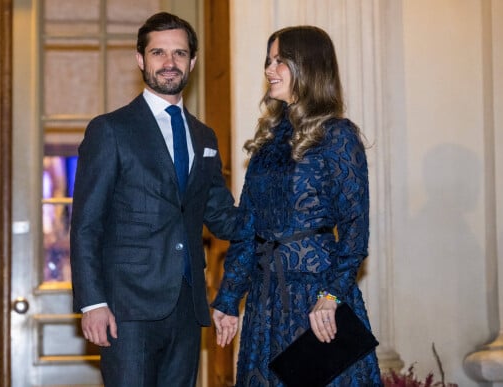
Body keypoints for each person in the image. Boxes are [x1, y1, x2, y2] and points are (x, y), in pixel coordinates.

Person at [70, 12, 240, 387]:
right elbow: (86, 225)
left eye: (179, 54)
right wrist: (92, 303)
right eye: (158, 53)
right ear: (140, 59)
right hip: (126, 309)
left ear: (192, 62)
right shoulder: (110, 130)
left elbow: (224, 219)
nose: (169, 63)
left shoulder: (204, 136)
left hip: (187, 305)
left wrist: (282, 208)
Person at [211, 26, 382, 386]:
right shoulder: (267, 141)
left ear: (308, 66)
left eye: (280, 61)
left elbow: (355, 229)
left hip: (317, 300)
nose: (270, 69)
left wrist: (332, 295)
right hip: (266, 303)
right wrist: (227, 301)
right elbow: (247, 231)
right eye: (268, 61)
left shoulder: (338, 135)